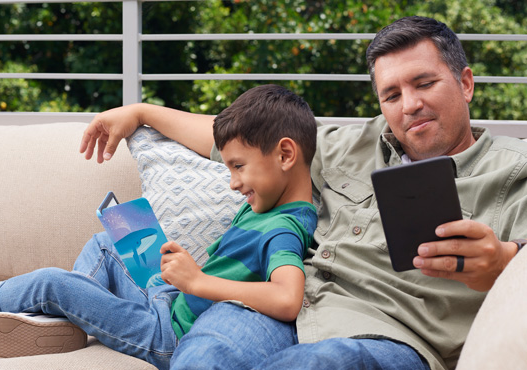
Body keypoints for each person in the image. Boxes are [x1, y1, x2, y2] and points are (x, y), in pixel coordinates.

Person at [80, 16, 527, 370]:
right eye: (391, 94)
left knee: (316, 364)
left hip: (390, 337)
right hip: (283, 307)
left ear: (465, 83)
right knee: (204, 356)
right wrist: (139, 112)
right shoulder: (349, 145)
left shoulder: (514, 170)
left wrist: (505, 261)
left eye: (424, 83)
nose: (409, 105)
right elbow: (240, 142)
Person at [0, 85, 319, 370]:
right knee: (110, 239)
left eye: (238, 168)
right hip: (172, 302)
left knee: (55, 284)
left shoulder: (284, 226)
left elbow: (287, 297)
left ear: (285, 155)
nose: (233, 182)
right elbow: (217, 138)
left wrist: (199, 280)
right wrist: (140, 111)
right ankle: (60, 325)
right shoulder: (272, 199)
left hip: (171, 334)